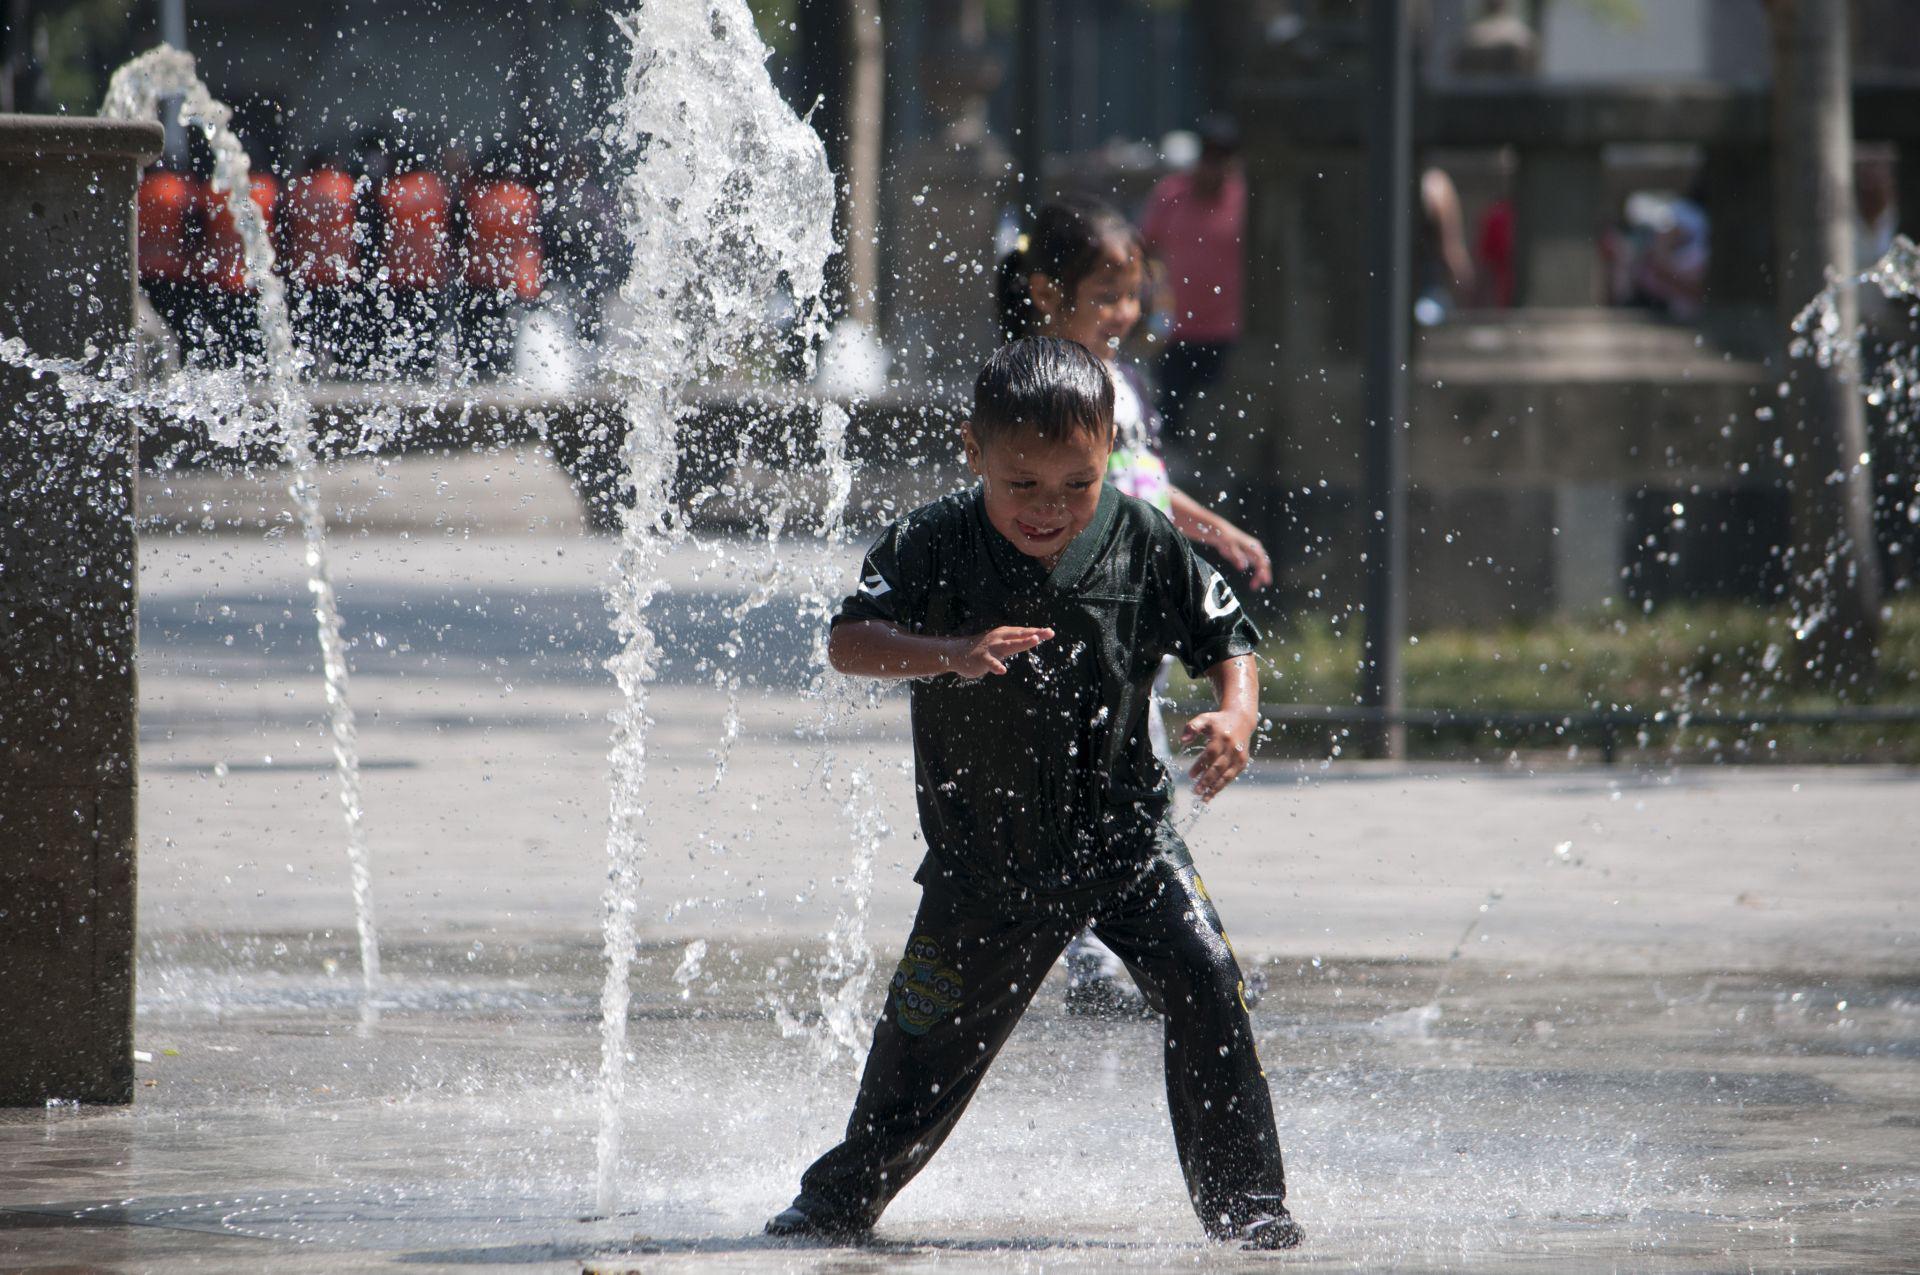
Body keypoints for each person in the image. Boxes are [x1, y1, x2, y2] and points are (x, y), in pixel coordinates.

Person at [763, 336, 1301, 1250]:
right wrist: (948, 656)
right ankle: (839, 1200)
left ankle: (1249, 1205)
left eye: (1076, 484)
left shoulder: (1138, 536)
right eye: (1022, 485)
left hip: (1127, 839)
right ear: (972, 450)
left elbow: (1225, 634)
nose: (1049, 509)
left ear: (1106, 459)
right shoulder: (932, 541)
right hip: (988, 858)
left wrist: (1237, 715)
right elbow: (849, 641)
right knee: (921, 1049)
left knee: (1207, 980)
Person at [999, 195, 1271, 1014]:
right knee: (1119, 780)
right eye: (1107, 293)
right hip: (1081, 610)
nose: (1126, 311)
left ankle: (1134, 951)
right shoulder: (1044, 383)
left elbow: (1144, 482)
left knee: (1127, 778)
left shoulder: (1122, 382)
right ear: (1049, 293)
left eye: (1134, 293)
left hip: (1134, 603)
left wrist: (1211, 526)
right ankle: (1128, 955)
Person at [1139, 115, 1245, 445]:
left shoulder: (1244, 200)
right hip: (1176, 332)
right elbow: (1142, 249)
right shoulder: (1171, 195)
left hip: (1229, 335)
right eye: (1209, 156)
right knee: (1168, 427)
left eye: (1222, 158)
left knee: (1224, 426)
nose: (1214, 166)